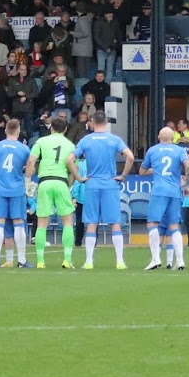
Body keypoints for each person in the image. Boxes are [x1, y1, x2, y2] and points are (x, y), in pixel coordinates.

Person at [73, 112, 134, 270]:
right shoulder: (114, 139)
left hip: (92, 184)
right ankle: (120, 261)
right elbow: (130, 157)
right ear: (106, 122)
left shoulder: (86, 140)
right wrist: (123, 175)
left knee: (91, 223)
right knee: (115, 223)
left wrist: (79, 177)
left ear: (92, 122)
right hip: (110, 184)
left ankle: (89, 262)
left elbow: (69, 159)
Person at [25, 117, 78, 269]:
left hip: (45, 182)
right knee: (67, 222)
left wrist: (28, 180)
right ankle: (67, 259)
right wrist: (68, 186)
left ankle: (40, 261)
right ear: (65, 129)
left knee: (42, 223)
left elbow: (31, 161)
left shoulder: (41, 141)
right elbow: (74, 169)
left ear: (51, 128)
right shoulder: (70, 145)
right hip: (61, 181)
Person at [141, 127, 189, 271]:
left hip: (159, 191)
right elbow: (188, 167)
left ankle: (155, 259)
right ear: (173, 138)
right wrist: (187, 185)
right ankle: (180, 261)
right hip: (174, 191)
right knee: (174, 225)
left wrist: (155, 170)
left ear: (158, 137)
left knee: (152, 223)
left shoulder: (152, 150)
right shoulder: (179, 150)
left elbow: (142, 171)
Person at [0, 120, 33, 268]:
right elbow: (30, 169)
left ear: (5, 130)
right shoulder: (24, 149)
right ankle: (22, 260)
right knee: (19, 224)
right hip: (17, 190)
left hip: (1, 190)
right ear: (18, 131)